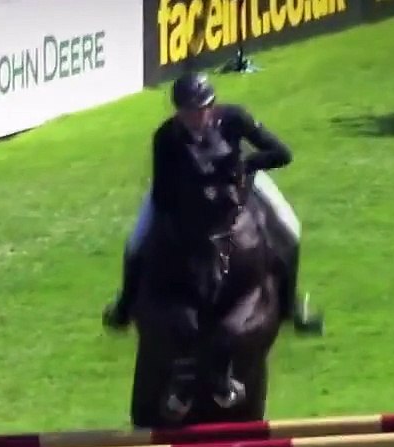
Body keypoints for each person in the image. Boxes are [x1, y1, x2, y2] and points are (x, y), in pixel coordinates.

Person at [103, 72, 308, 332]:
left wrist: (245, 166)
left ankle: (291, 307)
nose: (193, 118)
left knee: (291, 227)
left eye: (199, 110)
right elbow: (162, 193)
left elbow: (281, 153)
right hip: (184, 191)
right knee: (135, 242)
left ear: (211, 106)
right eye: (186, 112)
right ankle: (124, 308)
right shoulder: (165, 137)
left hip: (240, 182)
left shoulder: (235, 118)